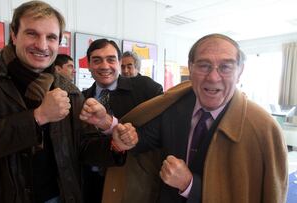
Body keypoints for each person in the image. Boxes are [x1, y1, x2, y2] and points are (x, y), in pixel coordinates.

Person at [0, 1, 136, 203]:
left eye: (51, 37)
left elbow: (82, 148)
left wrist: (115, 144)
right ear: (14, 34)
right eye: (32, 34)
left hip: (58, 196)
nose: (42, 45)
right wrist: (38, 117)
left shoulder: (68, 89)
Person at [115, 33, 288, 202]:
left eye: (225, 67)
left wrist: (189, 185)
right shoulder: (174, 107)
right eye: (204, 65)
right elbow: (142, 140)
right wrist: (118, 133)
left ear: (239, 71)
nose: (213, 77)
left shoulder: (263, 129)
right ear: (191, 68)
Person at [82, 38, 163, 203]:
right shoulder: (81, 100)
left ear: (119, 62)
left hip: (133, 182)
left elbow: (161, 132)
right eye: (96, 60)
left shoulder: (146, 88)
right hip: (93, 182)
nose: (104, 66)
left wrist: (113, 127)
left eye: (111, 59)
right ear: (88, 65)